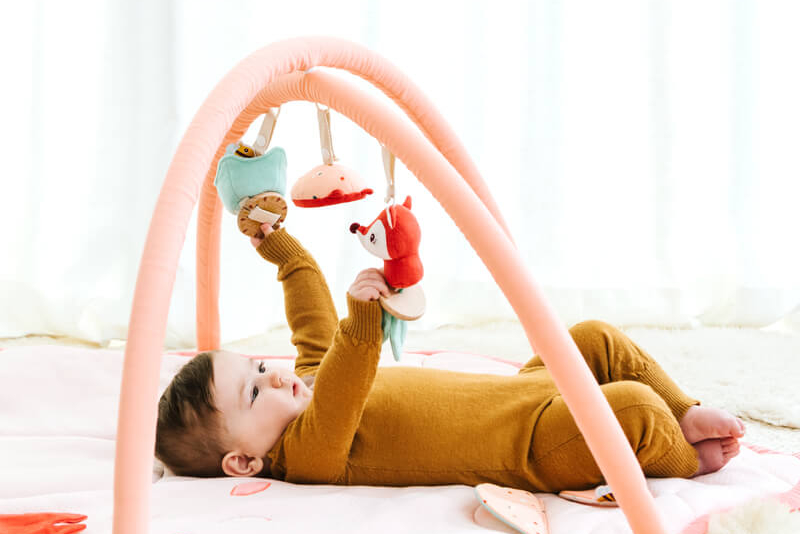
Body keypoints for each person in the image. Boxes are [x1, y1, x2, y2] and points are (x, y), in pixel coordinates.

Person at [155, 222, 746, 491]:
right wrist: (364, 316)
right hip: (537, 443)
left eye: (259, 365)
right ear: (244, 462)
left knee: (592, 337)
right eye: (253, 390)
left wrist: (278, 246)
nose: (273, 372)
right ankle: (681, 458)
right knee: (631, 408)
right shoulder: (309, 452)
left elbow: (309, 317)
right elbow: (345, 377)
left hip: (530, 390)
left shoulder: (306, 379)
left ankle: (684, 409)